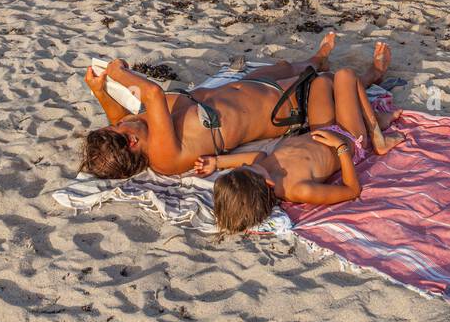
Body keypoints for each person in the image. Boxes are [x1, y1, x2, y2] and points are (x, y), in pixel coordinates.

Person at [81, 33, 367, 179]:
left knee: (286, 65)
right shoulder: (163, 156)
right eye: (119, 127)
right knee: (334, 84)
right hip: (282, 105)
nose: (122, 119)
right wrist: (117, 72)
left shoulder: (143, 133)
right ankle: (372, 76)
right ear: (131, 141)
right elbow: (153, 93)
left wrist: (100, 92)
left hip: (245, 89)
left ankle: (318, 56)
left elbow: (121, 117)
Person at [200, 52, 405, 232]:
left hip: (320, 130)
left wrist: (216, 163)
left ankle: (374, 118)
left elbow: (257, 156)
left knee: (322, 81)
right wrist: (340, 148)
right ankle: (377, 137)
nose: (245, 164)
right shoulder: (298, 189)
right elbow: (351, 191)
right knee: (345, 75)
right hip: (349, 139)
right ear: (268, 183)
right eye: (247, 168)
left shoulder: (262, 169)